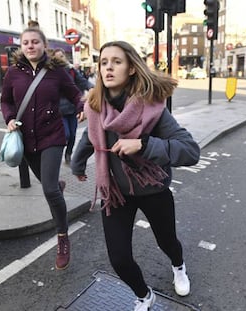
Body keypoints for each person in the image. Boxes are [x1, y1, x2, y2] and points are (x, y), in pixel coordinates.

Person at [71, 41, 200, 311]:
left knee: (167, 242)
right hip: (117, 192)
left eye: (116, 61)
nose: (108, 67)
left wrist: (144, 144)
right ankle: (144, 295)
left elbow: (190, 151)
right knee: (118, 258)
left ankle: (178, 266)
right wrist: (77, 165)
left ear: (131, 68)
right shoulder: (96, 106)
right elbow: (89, 138)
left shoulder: (153, 109)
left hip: (152, 190)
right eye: (104, 62)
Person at [0, 27, 83, 270]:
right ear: (21, 46)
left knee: (49, 190)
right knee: (49, 184)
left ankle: (62, 237)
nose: (30, 46)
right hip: (26, 139)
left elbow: (74, 93)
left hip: (52, 136)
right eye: (25, 42)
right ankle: (56, 185)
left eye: (35, 42)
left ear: (44, 44)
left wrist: (81, 106)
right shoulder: (13, 73)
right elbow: (5, 100)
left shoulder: (56, 72)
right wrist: (9, 118)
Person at [52, 48, 94, 164]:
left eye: (61, 56)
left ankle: (68, 154)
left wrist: (92, 88)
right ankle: (57, 154)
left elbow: (82, 81)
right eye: (57, 57)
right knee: (66, 134)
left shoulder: (71, 71)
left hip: (72, 108)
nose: (60, 58)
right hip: (59, 110)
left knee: (73, 135)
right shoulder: (52, 72)